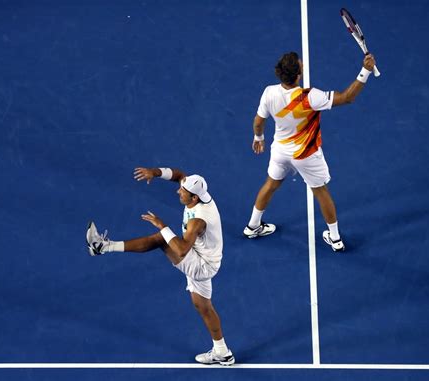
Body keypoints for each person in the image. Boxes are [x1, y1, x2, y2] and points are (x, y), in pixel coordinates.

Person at [86, 167, 235, 366]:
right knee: (204, 307)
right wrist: (154, 173)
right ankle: (222, 352)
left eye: (183, 192)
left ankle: (103, 246)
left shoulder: (198, 221)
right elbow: (180, 175)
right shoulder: (195, 191)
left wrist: (162, 226)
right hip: (205, 256)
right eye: (181, 188)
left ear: (194, 199)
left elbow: (181, 250)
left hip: (202, 265)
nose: (178, 191)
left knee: (160, 239)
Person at [243, 52, 376, 252]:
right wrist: (365, 70)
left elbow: (259, 121)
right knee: (321, 192)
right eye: (300, 65)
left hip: (280, 151)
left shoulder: (268, 92)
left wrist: (258, 138)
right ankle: (335, 238)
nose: (303, 64)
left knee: (270, 185)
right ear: (297, 76)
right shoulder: (310, 97)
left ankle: (252, 226)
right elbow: (348, 97)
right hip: (306, 155)